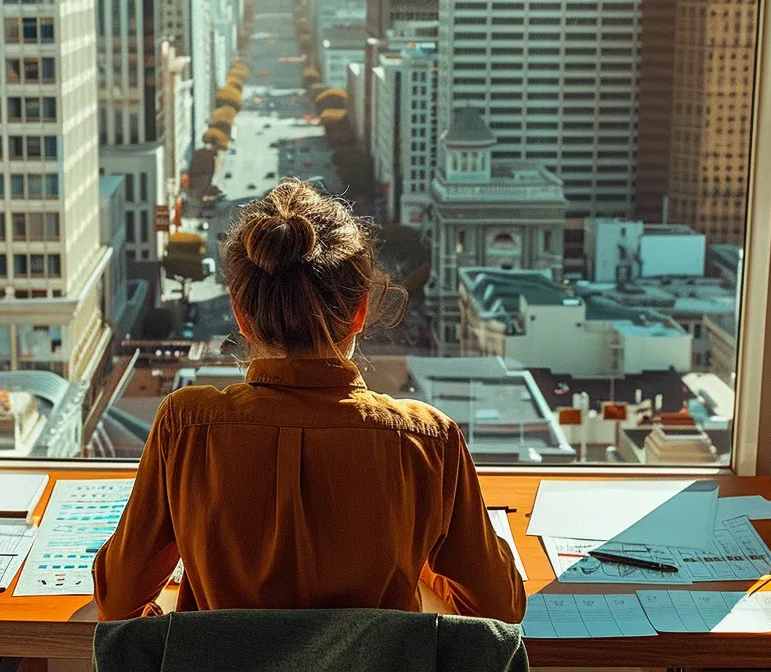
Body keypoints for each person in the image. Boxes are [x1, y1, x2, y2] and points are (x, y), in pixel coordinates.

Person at [93, 179, 525, 623]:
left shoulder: (186, 427)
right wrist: (421, 552)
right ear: (359, 312)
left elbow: (118, 598)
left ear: (241, 316)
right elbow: (500, 609)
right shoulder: (427, 442)